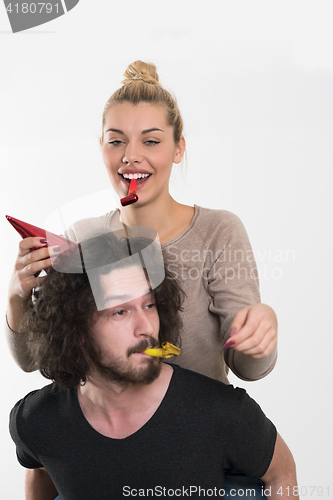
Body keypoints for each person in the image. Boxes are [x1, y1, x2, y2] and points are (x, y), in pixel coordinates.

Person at [6, 61, 278, 497]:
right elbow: (37, 360)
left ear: (178, 149)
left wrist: (260, 329)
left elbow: (251, 369)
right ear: (102, 149)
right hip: (107, 449)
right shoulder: (83, 238)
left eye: (151, 141)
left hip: (198, 451)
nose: (131, 156)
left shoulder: (219, 232)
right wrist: (19, 295)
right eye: (117, 142)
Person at [10, 233, 297, 500]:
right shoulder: (34, 419)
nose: (147, 327)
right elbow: (39, 466)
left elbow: (281, 473)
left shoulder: (223, 413)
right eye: (120, 311)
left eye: (149, 305)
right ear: (75, 330)